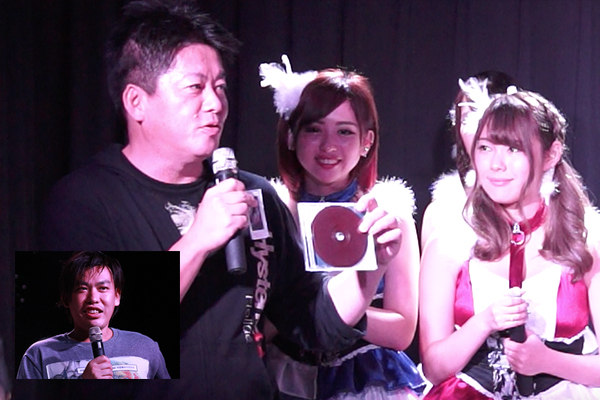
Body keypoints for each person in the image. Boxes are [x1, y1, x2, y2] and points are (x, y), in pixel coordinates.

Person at [38, 1, 390, 398]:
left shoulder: (253, 195)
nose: (215, 104)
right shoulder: (80, 202)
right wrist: (196, 241)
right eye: (195, 87)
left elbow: (310, 320)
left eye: (220, 87)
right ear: (136, 101)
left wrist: (370, 268)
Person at [260, 59, 425, 399]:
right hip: (285, 377)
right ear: (291, 136)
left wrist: (336, 311)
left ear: (367, 141)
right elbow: (253, 324)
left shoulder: (387, 216)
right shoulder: (270, 214)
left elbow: (402, 331)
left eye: (345, 131)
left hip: (365, 380)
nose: (329, 146)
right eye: (314, 129)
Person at [419, 90, 600, 398]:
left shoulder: (584, 242)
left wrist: (547, 360)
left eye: (514, 149)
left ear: (551, 154)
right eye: (485, 148)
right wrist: (485, 321)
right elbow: (434, 368)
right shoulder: (448, 243)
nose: (495, 164)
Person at [17, 251, 170, 379]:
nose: (93, 298)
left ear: (117, 296)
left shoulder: (144, 348)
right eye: (82, 289)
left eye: (103, 288)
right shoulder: (39, 355)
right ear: (66, 298)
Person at [420, 71, 515, 249]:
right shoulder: (439, 214)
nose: (480, 130)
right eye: (467, 118)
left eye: (487, 116)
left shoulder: (542, 206)